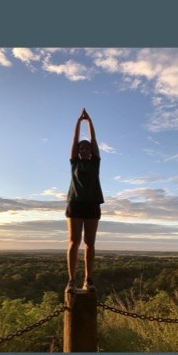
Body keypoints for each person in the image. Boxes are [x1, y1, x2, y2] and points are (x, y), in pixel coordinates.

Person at [65, 108, 104, 293]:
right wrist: (78, 122)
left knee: (90, 243)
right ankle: (71, 280)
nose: (84, 149)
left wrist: (89, 121)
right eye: (81, 148)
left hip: (92, 204)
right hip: (75, 203)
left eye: (87, 147)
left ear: (91, 150)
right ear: (78, 152)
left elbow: (94, 140)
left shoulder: (95, 162)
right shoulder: (74, 162)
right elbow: (74, 140)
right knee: (74, 242)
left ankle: (88, 279)